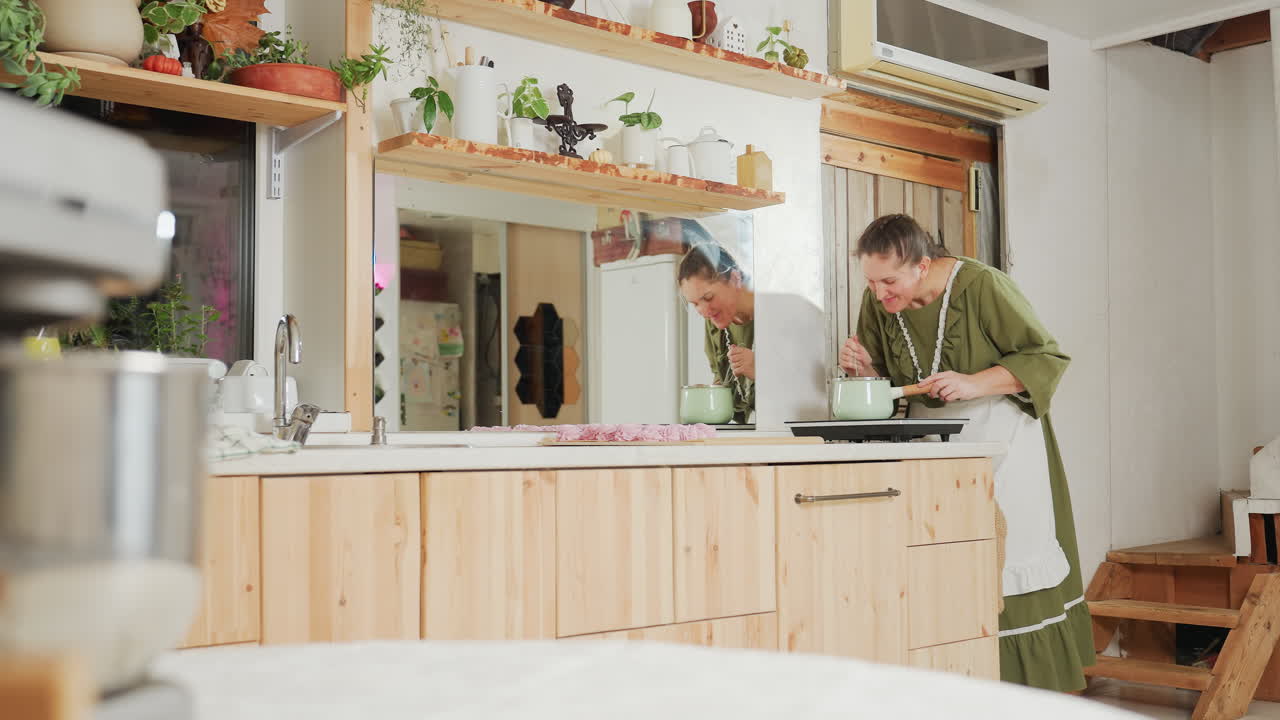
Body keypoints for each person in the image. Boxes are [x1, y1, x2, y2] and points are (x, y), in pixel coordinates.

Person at [839, 214, 1094, 692]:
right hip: (929, 446)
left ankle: (1022, 692)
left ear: (922, 264)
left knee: (1006, 557)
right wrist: (864, 364)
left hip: (1003, 434)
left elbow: (1045, 358)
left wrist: (974, 382)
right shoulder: (880, 300)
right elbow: (882, 379)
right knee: (936, 556)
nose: (879, 293)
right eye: (871, 282)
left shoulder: (981, 286)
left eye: (889, 281)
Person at [677, 242, 754, 424]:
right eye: (695, 303)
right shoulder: (715, 321)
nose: (703, 311)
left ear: (735, 279)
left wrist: (760, 369)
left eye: (708, 297)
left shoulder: (772, 312)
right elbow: (723, 378)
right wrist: (713, 392)